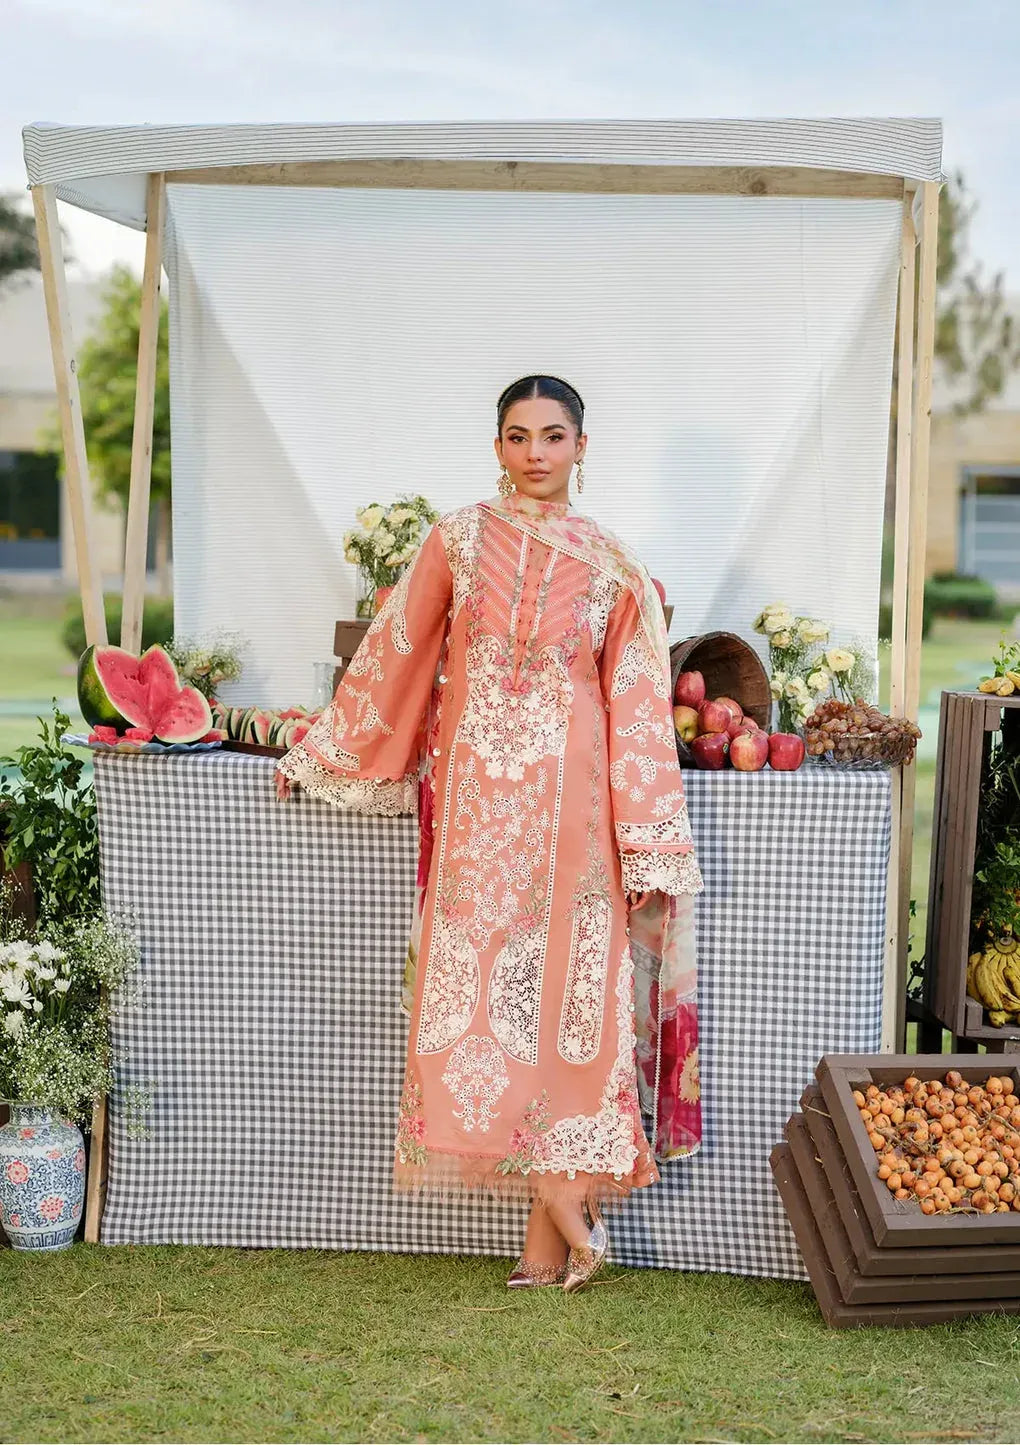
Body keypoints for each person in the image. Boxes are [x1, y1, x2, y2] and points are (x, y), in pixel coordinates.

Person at [275, 374, 704, 1293]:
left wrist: (646, 837)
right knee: (480, 1012)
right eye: (518, 435)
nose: (535, 453)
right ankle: (562, 1216)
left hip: (577, 818)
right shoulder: (459, 540)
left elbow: (637, 706)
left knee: (569, 1015)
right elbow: (397, 648)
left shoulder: (615, 567)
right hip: (477, 815)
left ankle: (550, 1236)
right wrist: (328, 748)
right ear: (497, 445)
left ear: (582, 446)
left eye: (553, 435)